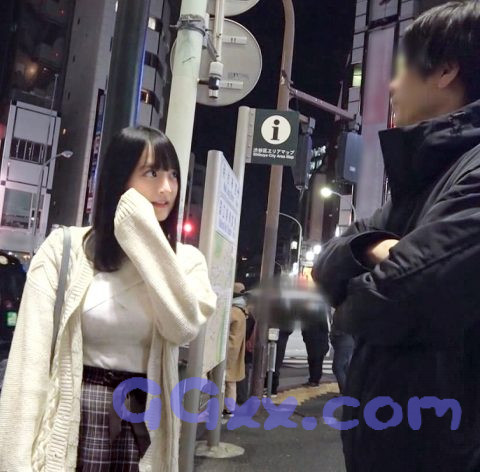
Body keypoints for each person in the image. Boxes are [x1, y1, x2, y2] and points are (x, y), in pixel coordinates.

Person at [313, 2, 480, 471]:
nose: (390, 85)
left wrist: (363, 275)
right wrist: (373, 247)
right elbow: (326, 266)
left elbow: (392, 301)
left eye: (402, 68)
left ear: (445, 70)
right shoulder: (422, 180)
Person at [0, 126, 217, 471]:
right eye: (151, 173)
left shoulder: (186, 262)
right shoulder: (64, 250)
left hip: (143, 422)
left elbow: (183, 326)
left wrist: (140, 232)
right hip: (77, 417)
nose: (166, 188)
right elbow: (28, 366)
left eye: (173, 175)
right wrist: (14, 463)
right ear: (119, 179)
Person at [224, 283, 248, 415]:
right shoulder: (242, 310)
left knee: (225, 380)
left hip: (229, 349)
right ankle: (230, 408)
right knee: (231, 381)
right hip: (237, 349)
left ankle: (226, 408)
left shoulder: (233, 311)